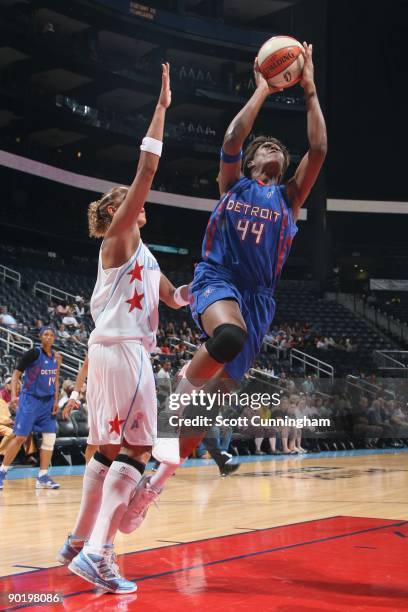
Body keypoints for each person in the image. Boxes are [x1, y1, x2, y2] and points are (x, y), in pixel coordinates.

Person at [127, 42, 326, 528]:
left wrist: (310, 89)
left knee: (208, 409)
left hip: (258, 301)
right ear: (256, 158)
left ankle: (154, 482)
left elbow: (318, 149)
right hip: (219, 280)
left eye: (282, 149)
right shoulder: (232, 183)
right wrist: (262, 88)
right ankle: (176, 399)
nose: (277, 149)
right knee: (227, 337)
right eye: (269, 147)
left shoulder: (290, 197)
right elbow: (234, 138)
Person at [57, 64, 190, 594]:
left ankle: (76, 540)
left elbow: (175, 299)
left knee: (108, 452)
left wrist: (202, 290)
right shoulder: (117, 239)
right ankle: (98, 553)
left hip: (114, 353)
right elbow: (146, 172)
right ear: (116, 211)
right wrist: (160, 110)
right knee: (138, 452)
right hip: (124, 354)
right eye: (125, 199)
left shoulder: (146, 256)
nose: (136, 202)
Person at [0, 327, 62, 490]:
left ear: (55, 338)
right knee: (20, 437)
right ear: (40, 337)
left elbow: (56, 380)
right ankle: (2, 472)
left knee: (50, 438)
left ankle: (42, 476)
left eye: (52, 335)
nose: (49, 337)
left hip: (47, 403)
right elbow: (16, 374)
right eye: (46, 335)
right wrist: (14, 395)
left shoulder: (57, 357)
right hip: (30, 400)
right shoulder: (33, 353)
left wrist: (56, 400)